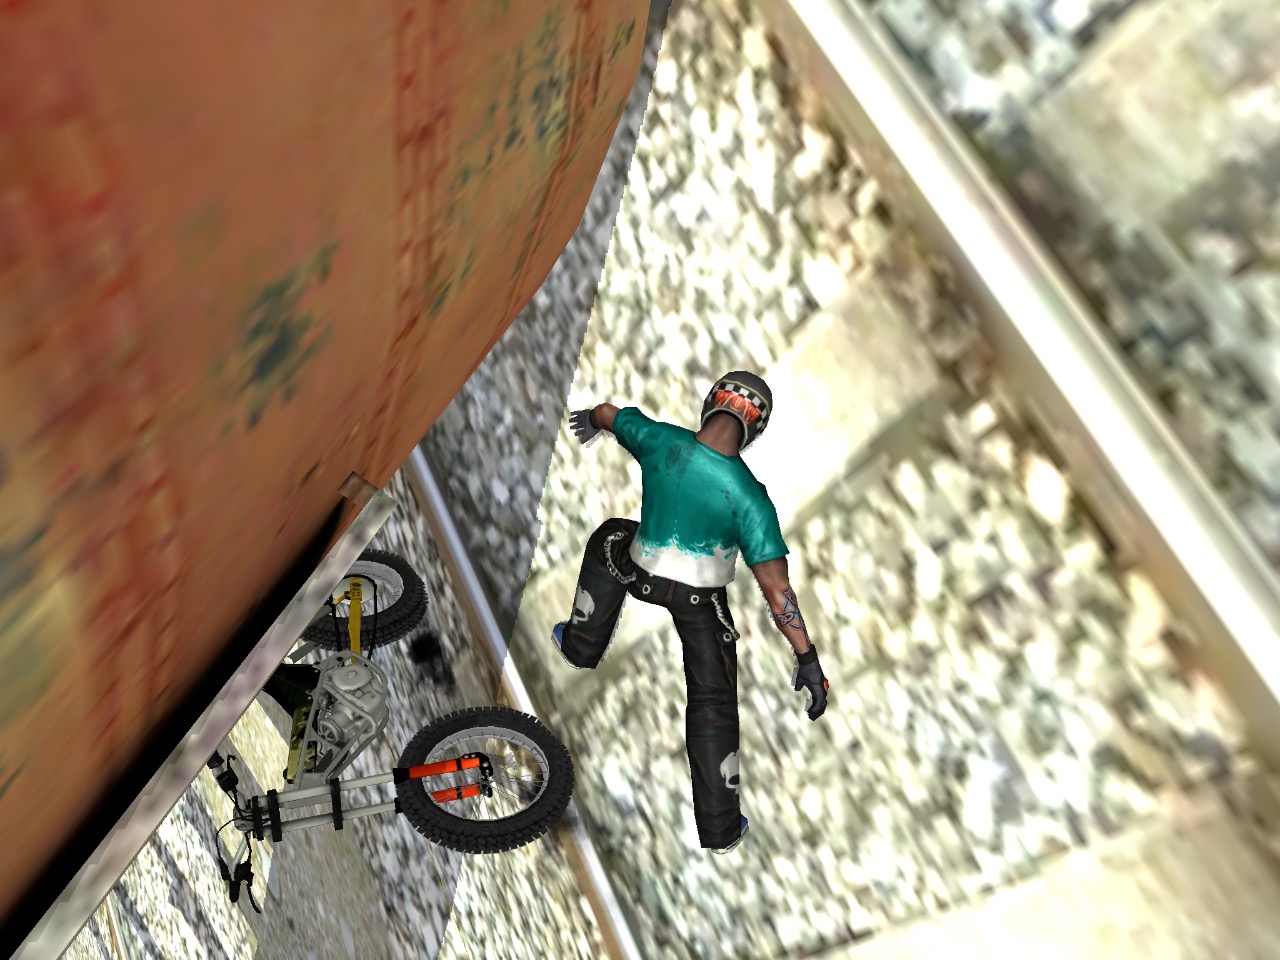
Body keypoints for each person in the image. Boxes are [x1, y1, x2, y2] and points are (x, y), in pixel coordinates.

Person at [552, 371, 830, 854]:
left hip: (639, 569)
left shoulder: (662, 440)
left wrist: (592, 420)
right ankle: (720, 828)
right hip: (700, 603)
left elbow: (611, 415)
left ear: (711, 402)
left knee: (609, 537)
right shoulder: (751, 498)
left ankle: (579, 645)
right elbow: (777, 591)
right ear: (754, 429)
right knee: (714, 701)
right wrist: (807, 657)